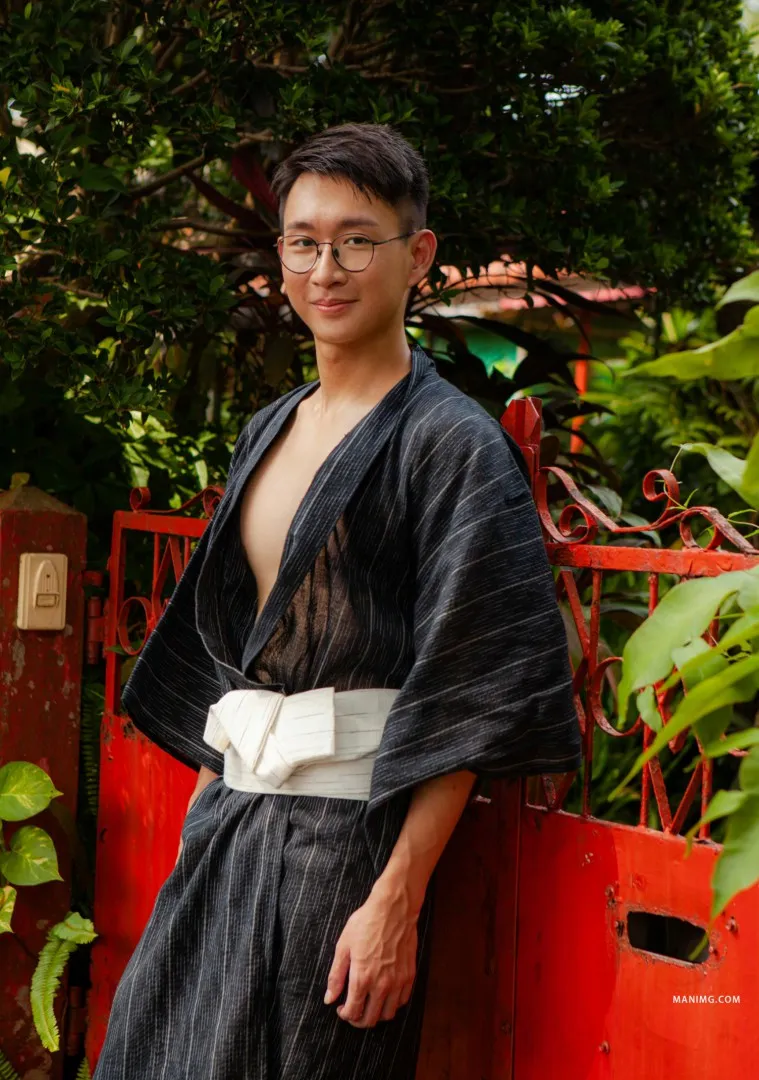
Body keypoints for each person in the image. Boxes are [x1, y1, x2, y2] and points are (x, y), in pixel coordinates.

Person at [93, 122, 582, 1080]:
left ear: (417, 254)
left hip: (347, 850)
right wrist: (201, 823)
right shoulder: (267, 429)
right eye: (304, 242)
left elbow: (472, 686)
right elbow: (228, 658)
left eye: (357, 241)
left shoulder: (450, 443)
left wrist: (396, 898)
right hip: (228, 825)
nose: (326, 269)